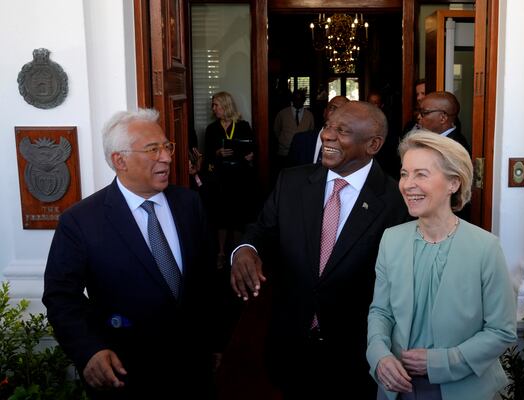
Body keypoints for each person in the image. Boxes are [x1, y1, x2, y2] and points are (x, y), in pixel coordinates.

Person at [231, 101, 410, 400]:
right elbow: (260, 229)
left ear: (373, 144)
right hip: (291, 344)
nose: (327, 136)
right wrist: (245, 249)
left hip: (355, 351)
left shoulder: (396, 201)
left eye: (342, 131)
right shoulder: (291, 181)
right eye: (328, 126)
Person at [43, 109, 216, 399]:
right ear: (119, 160)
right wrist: (90, 351)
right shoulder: (81, 221)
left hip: (193, 371)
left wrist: (216, 342)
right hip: (127, 375)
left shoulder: (189, 204)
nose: (167, 157)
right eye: (153, 149)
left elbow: (207, 279)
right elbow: (61, 297)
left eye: (166, 146)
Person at [366, 130, 517, 400]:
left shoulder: (485, 247)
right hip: (396, 388)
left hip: (463, 388)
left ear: (453, 184)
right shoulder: (391, 239)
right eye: (404, 174)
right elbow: (381, 311)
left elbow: (501, 331)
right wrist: (379, 356)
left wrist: (442, 361)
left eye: (421, 174)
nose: (407, 184)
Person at [204, 91, 258, 268]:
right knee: (221, 216)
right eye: (213, 105)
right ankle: (220, 253)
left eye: (216, 105)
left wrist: (250, 156)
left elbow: (252, 148)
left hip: (240, 178)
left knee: (237, 216)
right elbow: (206, 155)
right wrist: (217, 153)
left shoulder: (242, 125)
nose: (213, 109)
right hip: (220, 179)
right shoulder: (212, 129)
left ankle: (235, 253)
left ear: (225, 106)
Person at [287, 95, 349, 167]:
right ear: (325, 112)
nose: (337, 114)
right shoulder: (300, 140)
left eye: (344, 111)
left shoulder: (352, 145)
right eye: (333, 108)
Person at [273, 88, 315, 164]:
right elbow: (276, 130)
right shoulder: (282, 113)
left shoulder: (309, 115)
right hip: (284, 152)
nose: (298, 101)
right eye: (296, 98)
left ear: (304, 100)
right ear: (292, 99)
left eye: (300, 98)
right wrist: (284, 141)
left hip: (302, 153)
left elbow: (311, 132)